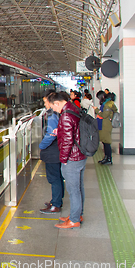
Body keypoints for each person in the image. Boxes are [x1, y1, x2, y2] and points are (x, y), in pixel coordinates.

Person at [47, 91, 86, 229]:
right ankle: (77, 214)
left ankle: (74, 220)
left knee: (73, 190)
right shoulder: (73, 109)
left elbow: (68, 141)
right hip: (79, 155)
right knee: (78, 188)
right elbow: (73, 132)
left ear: (57, 103)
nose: (54, 110)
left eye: (54, 107)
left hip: (72, 158)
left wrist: (63, 159)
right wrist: (61, 131)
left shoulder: (66, 115)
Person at [39, 90, 64, 214]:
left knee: (54, 178)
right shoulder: (55, 114)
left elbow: (50, 134)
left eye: (45, 102)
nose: (45, 104)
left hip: (53, 153)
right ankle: (57, 201)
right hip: (56, 151)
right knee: (57, 178)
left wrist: (41, 145)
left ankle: (56, 204)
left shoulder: (52, 115)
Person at [94, 91, 117, 165]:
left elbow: (104, 115)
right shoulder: (108, 103)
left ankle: (108, 159)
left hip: (105, 125)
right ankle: (106, 157)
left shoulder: (107, 105)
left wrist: (96, 110)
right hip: (104, 125)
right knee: (105, 142)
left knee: (106, 143)